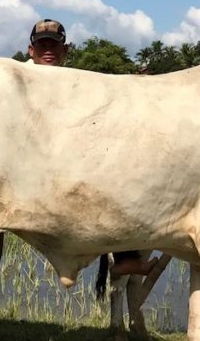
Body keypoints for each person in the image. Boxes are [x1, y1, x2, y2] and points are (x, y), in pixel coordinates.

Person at [26, 19, 158, 278]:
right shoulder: (21, 78)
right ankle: (127, 255)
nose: (48, 50)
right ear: (31, 51)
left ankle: (126, 255)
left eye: (54, 44)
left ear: (65, 51)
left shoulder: (71, 82)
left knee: (119, 171)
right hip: (34, 160)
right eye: (42, 45)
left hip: (61, 156)